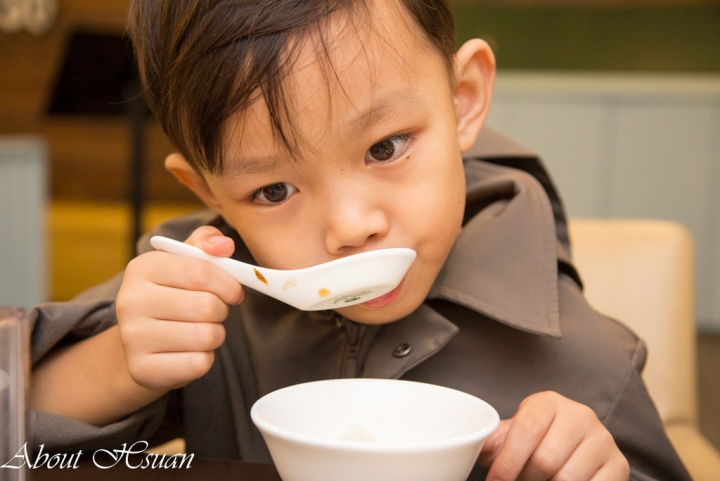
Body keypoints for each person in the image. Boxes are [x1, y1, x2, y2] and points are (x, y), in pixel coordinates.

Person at [28, 1, 690, 479]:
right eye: (274, 191)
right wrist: (121, 361)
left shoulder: (591, 364)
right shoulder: (210, 290)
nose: (350, 227)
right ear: (210, 193)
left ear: (463, 100)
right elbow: (18, 434)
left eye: (384, 147)